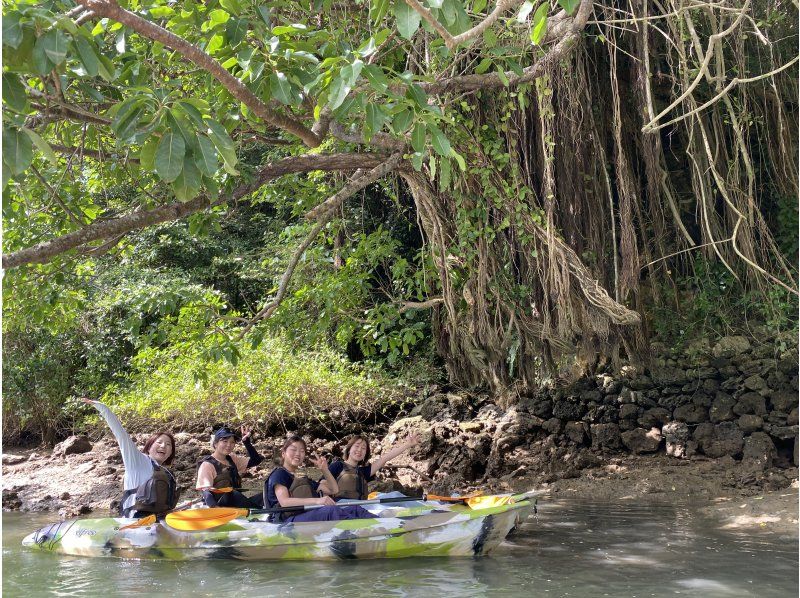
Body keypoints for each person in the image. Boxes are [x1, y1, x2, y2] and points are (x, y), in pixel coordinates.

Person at [81, 398, 179, 519]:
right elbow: (121, 434)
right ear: (149, 447)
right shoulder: (137, 460)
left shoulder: (167, 472)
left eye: (168, 444)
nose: (163, 446)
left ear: (171, 453)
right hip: (134, 521)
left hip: (158, 523)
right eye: (159, 442)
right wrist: (102, 408)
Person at [263, 436, 373, 523]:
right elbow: (285, 502)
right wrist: (318, 500)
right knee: (330, 511)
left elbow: (333, 490)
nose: (298, 454)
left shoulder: (302, 479)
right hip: (286, 521)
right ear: (283, 454)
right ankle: (361, 531)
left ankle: (381, 524)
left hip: (303, 516)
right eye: (293, 450)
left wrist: (325, 470)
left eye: (302, 451)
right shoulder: (279, 474)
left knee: (355, 508)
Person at [323, 432, 420, 500]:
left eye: (363, 448)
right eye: (356, 446)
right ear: (349, 449)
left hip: (359, 507)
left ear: (366, 453)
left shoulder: (364, 472)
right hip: (339, 506)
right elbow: (321, 486)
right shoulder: (337, 466)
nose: (360, 450)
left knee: (395, 495)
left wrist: (408, 444)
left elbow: (385, 458)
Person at [196, 426, 264, 508]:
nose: (229, 445)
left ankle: (256, 509)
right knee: (232, 494)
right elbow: (206, 492)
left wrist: (247, 442)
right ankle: (255, 508)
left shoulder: (232, 458)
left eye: (232, 442)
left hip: (236, 503)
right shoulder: (207, 465)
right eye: (225, 441)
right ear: (215, 443)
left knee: (268, 493)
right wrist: (215, 508)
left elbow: (256, 460)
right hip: (220, 505)